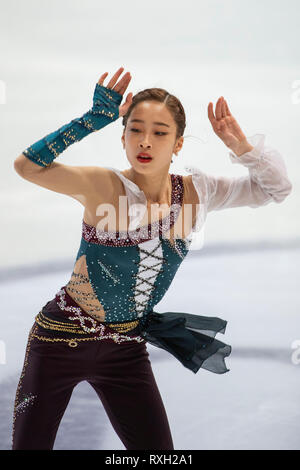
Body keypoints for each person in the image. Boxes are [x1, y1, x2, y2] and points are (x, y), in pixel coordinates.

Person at [12, 67, 292, 450]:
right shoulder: (103, 185)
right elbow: (27, 167)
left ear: (178, 144)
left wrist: (241, 148)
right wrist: (89, 121)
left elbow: (276, 189)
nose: (145, 141)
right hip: (60, 339)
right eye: (135, 130)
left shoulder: (199, 192)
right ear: (123, 136)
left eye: (160, 133)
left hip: (126, 348)